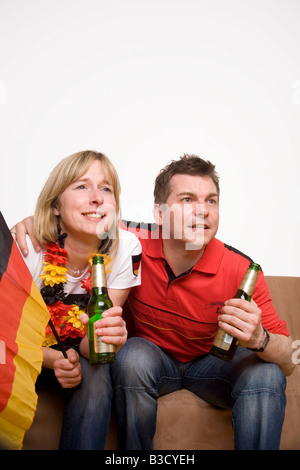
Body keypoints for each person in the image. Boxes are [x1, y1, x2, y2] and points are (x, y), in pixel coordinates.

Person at [13, 154, 295, 450]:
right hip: (152, 361)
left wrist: (259, 338)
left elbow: (290, 359)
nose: (203, 211)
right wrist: (34, 223)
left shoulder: (243, 270)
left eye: (211, 201)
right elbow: (84, 219)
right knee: (133, 355)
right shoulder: (130, 243)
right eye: (188, 200)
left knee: (267, 372)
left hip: (212, 367)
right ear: (160, 214)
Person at [12, 150, 142, 450]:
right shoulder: (28, 247)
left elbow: (89, 346)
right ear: (56, 205)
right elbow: (6, 336)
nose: (96, 197)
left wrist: (105, 337)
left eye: (106, 188)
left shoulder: (126, 249)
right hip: (24, 356)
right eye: (82, 186)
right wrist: (54, 359)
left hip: (79, 359)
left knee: (97, 371)